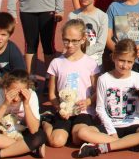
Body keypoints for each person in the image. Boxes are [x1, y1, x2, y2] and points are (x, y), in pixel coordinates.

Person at [75, 39, 139, 157]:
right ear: (114, 57)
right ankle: (132, 144)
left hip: (132, 124)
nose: (125, 65)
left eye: (129, 62)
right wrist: (112, 131)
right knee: (83, 132)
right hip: (110, 125)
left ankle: (103, 147)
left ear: (134, 60)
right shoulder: (104, 79)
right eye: (121, 60)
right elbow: (100, 108)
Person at [41, 19, 99, 149]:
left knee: (78, 139)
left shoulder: (91, 63)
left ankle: (73, 130)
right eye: (66, 40)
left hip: (83, 112)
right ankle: (45, 122)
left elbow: (97, 92)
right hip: (64, 111)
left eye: (74, 41)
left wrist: (88, 101)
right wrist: (59, 108)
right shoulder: (56, 63)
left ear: (83, 39)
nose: (70, 44)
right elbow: (52, 94)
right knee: (56, 142)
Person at [69, 0, 109, 68]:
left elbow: (101, 44)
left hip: (95, 62)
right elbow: (69, 39)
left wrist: (82, 53)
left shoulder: (102, 16)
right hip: (75, 59)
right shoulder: (72, 16)